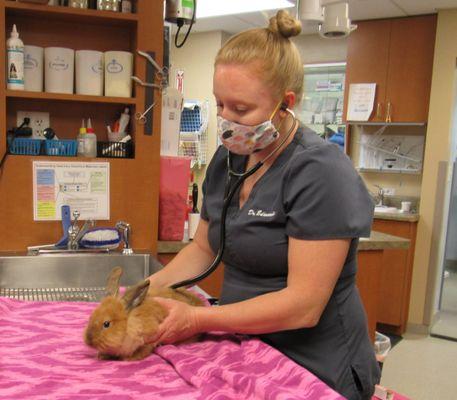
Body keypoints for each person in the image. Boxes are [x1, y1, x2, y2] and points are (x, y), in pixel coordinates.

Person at [148, 9, 381, 400]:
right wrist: (140, 291)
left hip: (315, 365)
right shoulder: (230, 158)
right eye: (220, 104)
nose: (227, 119)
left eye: (240, 110)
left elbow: (304, 305)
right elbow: (204, 248)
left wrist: (198, 318)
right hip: (248, 351)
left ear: (285, 104)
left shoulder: (321, 172)